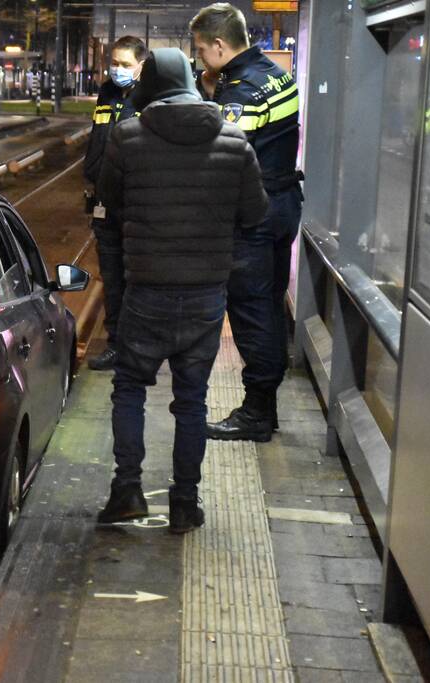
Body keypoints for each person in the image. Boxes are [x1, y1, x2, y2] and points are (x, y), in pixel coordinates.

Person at [94, 48, 268, 533]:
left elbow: (110, 198)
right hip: (206, 294)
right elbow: (256, 213)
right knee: (192, 399)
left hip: (146, 289)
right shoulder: (233, 139)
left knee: (130, 388)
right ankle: (185, 503)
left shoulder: (127, 136)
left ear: (150, 85)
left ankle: (127, 491)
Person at [189, 3, 304, 442]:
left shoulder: (242, 91)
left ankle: (255, 413)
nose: (201, 58)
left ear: (219, 45)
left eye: (202, 50)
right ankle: (265, 408)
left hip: (254, 218)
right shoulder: (274, 74)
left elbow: (225, 159)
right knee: (269, 309)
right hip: (283, 203)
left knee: (253, 314)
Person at [84, 35, 149, 371]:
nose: (117, 69)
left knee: (135, 277)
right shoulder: (107, 93)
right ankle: (116, 345)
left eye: (125, 64)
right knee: (111, 277)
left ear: (141, 65)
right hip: (104, 201)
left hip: (135, 203)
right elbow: (98, 139)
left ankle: (138, 346)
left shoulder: (151, 97)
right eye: (114, 63)